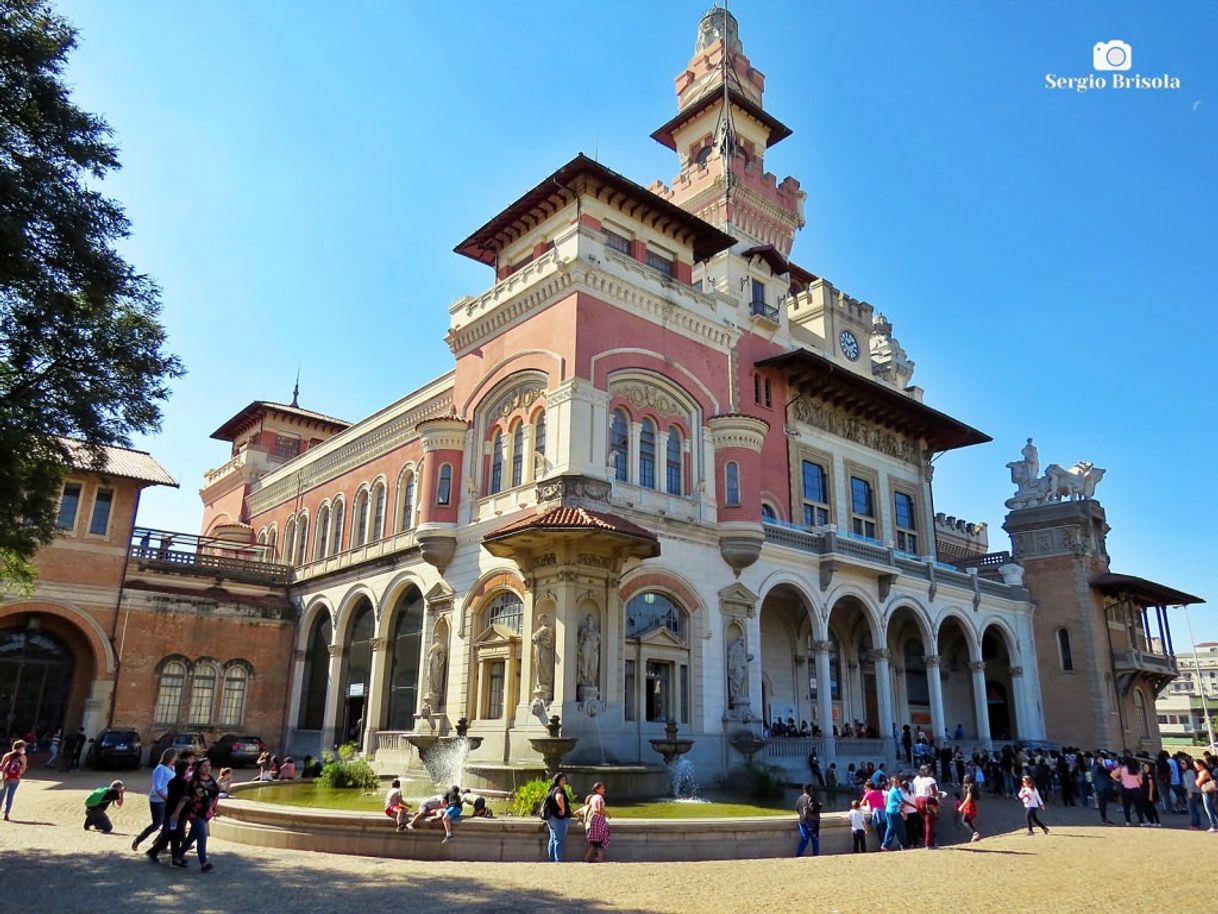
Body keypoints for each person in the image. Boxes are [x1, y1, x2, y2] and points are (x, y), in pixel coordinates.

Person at [176, 758, 220, 872]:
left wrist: (214, 808)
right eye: (204, 766)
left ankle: (177, 857)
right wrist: (176, 812)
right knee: (202, 836)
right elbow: (187, 797)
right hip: (195, 813)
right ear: (199, 768)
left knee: (191, 837)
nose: (207, 768)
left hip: (207, 813)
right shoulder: (193, 782)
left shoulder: (211, 779)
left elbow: (215, 794)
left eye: (209, 766)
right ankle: (204, 863)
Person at [145, 758, 190, 866]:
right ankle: (155, 851)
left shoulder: (173, 781)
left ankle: (176, 857)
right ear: (184, 770)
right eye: (188, 769)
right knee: (174, 833)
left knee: (174, 834)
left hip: (171, 810)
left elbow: (171, 797)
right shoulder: (182, 783)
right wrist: (176, 813)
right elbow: (183, 798)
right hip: (177, 812)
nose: (189, 772)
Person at [133, 748, 177, 850]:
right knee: (156, 824)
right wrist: (165, 798)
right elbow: (158, 787)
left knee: (168, 824)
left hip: (169, 799)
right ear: (170, 757)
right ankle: (139, 839)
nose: (176, 759)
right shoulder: (160, 768)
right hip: (158, 799)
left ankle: (161, 844)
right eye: (175, 756)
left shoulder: (173, 768)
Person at [541, 772, 572, 862]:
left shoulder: (552, 790)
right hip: (559, 818)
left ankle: (551, 859)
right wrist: (563, 809)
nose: (564, 782)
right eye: (562, 780)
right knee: (559, 840)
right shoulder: (559, 790)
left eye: (564, 780)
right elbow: (559, 798)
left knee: (553, 839)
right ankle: (558, 860)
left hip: (551, 818)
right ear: (558, 780)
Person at [578, 781, 610, 863]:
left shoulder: (593, 798)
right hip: (599, 819)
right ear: (598, 789)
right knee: (600, 841)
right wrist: (607, 814)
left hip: (593, 820)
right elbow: (599, 809)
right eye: (602, 788)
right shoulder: (600, 798)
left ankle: (587, 858)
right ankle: (599, 858)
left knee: (594, 842)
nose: (604, 790)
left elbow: (590, 808)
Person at [2, 739, 29, 821]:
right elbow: (24, 768)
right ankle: (6, 813)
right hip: (15, 778)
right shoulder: (23, 757)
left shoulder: (7, 755)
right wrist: (18, 774)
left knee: (1, 795)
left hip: (5, 778)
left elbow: (2, 766)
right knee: (10, 795)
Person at [1117, 756, 1144, 826]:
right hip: (1135, 789)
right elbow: (1141, 781)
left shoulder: (1122, 769)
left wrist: (1119, 780)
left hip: (1126, 789)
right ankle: (1141, 821)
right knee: (1138, 806)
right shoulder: (1136, 770)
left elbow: (1115, 775)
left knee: (1126, 806)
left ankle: (1128, 821)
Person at [794, 783, 821, 857]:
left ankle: (799, 853)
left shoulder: (800, 798)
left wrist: (802, 815)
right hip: (811, 821)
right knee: (815, 838)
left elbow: (797, 808)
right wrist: (819, 805)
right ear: (810, 790)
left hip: (802, 820)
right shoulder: (811, 798)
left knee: (804, 838)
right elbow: (814, 810)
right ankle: (816, 854)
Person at [1193, 757, 1218, 832]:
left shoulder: (1204, 772)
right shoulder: (1204, 771)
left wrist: (1197, 780)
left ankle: (1214, 825)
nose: (1195, 767)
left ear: (1201, 765)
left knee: (1209, 809)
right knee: (1212, 809)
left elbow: (1198, 783)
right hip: (1207, 791)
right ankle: (1215, 824)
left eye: (1196, 765)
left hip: (1207, 792)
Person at [959, 776, 981, 842]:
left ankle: (975, 833)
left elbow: (968, 798)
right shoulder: (972, 786)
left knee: (964, 820)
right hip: (972, 805)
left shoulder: (970, 787)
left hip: (969, 806)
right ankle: (975, 833)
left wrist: (961, 806)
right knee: (967, 820)